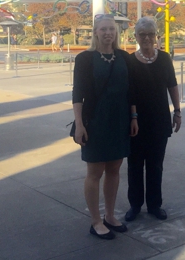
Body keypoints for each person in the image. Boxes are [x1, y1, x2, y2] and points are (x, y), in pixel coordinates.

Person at [72, 14, 138, 240]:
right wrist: (79, 124)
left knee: (114, 168)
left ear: (116, 32)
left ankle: (110, 215)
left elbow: (132, 92)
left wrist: (134, 117)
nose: (108, 33)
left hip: (119, 120)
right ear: (95, 32)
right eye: (103, 29)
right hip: (95, 121)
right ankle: (96, 221)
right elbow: (77, 94)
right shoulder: (85, 58)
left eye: (112, 29)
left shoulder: (124, 57)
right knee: (94, 172)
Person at [125, 17, 181, 223]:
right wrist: (133, 116)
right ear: (136, 37)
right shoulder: (130, 61)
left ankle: (155, 204)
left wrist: (177, 111)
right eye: (142, 35)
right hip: (136, 121)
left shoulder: (165, 58)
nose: (147, 38)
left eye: (151, 34)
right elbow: (129, 92)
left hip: (159, 120)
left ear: (156, 36)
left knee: (156, 165)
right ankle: (135, 205)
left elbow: (172, 86)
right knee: (135, 165)